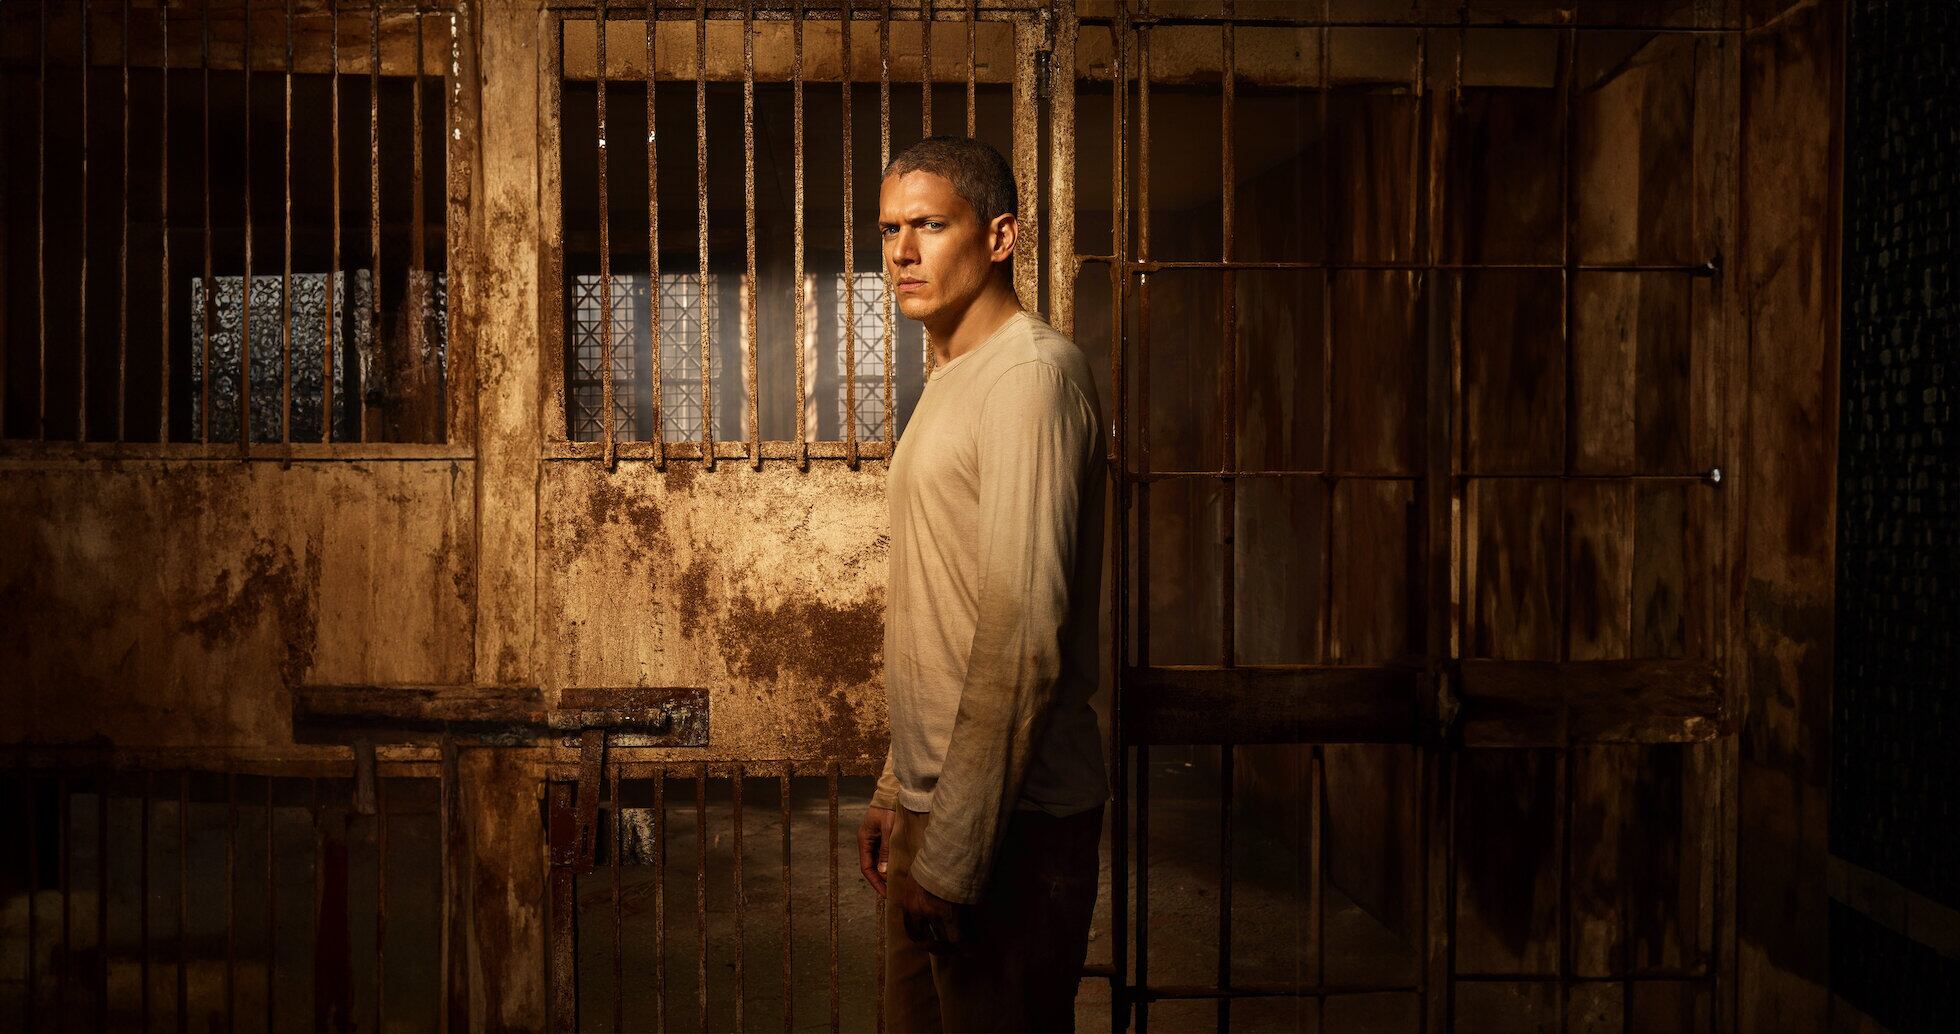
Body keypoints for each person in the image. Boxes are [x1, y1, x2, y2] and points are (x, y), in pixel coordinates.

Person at [855, 136, 1109, 1033]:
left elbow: (1020, 633)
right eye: (889, 230)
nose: (902, 252)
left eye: (929, 225)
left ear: (999, 237)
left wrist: (956, 855)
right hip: (941, 810)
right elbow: (941, 605)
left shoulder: (1030, 378)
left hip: (1013, 823)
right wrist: (899, 789)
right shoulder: (955, 378)